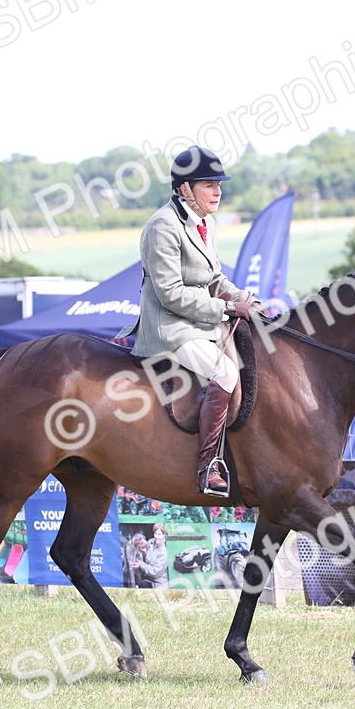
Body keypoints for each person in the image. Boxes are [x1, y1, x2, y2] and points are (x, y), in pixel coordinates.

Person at [118, 146, 261, 496]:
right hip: (169, 326)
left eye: (219, 184)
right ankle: (207, 465)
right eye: (209, 185)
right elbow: (170, 293)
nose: (218, 191)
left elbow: (214, 278)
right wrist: (226, 310)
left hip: (199, 321)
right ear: (185, 189)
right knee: (225, 373)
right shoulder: (162, 226)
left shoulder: (205, 223)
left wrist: (243, 298)